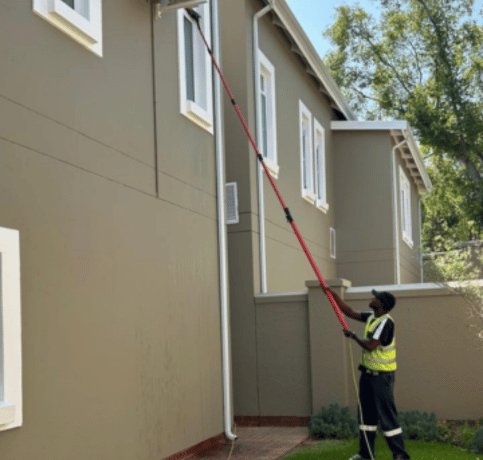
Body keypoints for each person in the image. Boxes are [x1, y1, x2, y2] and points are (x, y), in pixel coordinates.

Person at [322, 286, 410, 460]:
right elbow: (349, 312)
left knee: (387, 417)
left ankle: (400, 455)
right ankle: (365, 454)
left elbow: (371, 346)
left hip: (382, 377)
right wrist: (331, 294)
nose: (373, 298)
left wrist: (353, 336)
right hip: (368, 375)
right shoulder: (372, 317)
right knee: (366, 416)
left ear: (381, 305)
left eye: (376, 298)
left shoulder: (386, 322)